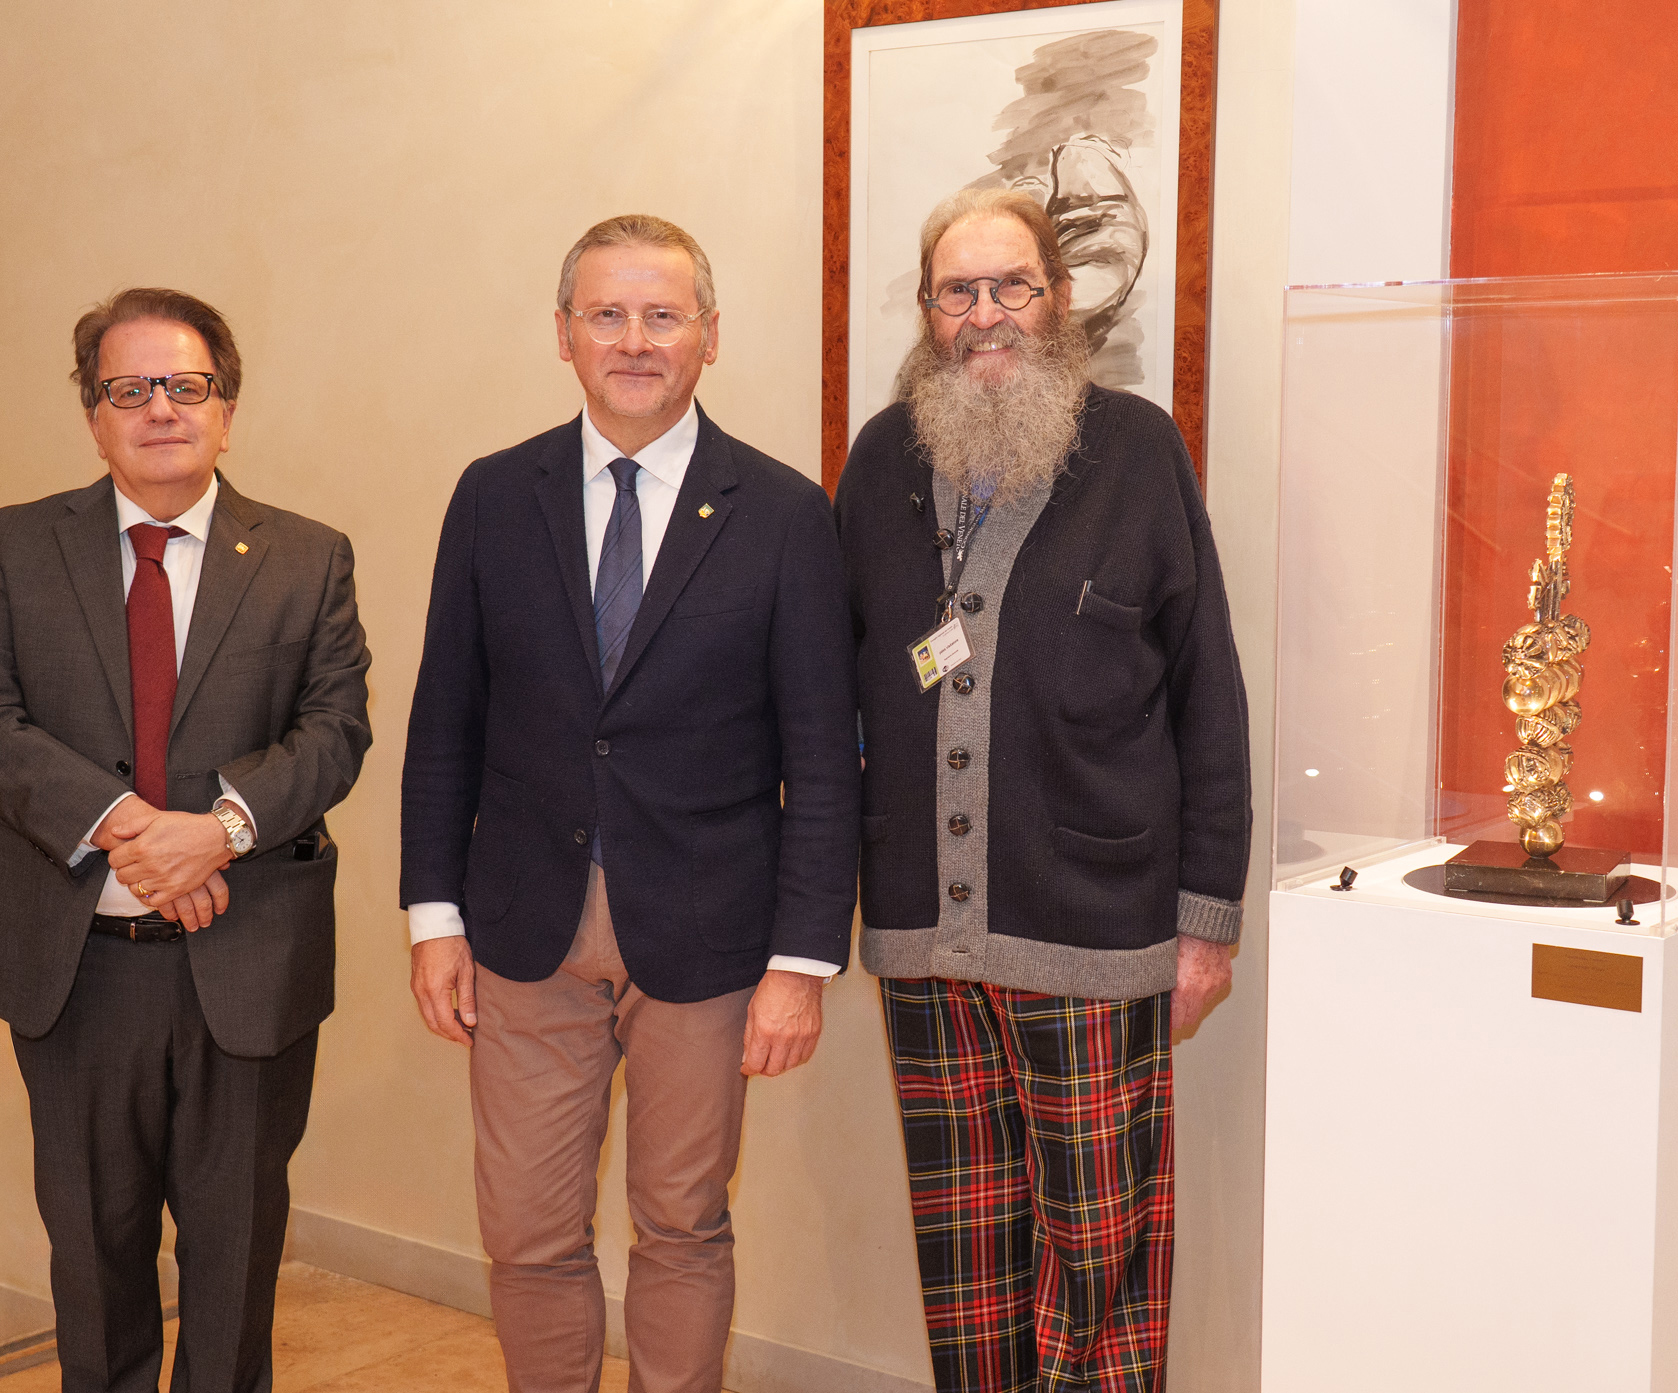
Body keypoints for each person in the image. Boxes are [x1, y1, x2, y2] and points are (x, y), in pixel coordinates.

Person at [400, 214, 859, 1393]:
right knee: (526, 1231)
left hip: (708, 934)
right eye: (606, 314)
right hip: (521, 928)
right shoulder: (493, 496)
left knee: (682, 1222)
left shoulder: (783, 513)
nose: (635, 340)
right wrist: (432, 918)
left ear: (709, 335)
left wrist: (802, 960)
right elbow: (444, 720)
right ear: (563, 335)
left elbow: (823, 756)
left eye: (662, 315)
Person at [835, 187, 1252, 1392]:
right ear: (927, 312)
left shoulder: (1136, 450)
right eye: (956, 292)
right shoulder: (879, 458)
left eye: (1010, 285)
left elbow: (1205, 696)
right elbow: (830, 683)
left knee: (1099, 1271)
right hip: (923, 934)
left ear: (1057, 299)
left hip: (1095, 930)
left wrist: (1205, 922)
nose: (985, 316)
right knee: (967, 1267)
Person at [0, 287, 373, 1393]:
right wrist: (133, 829)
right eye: (128, 389)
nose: (160, 408)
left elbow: (335, 732)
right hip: (75, 971)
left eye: (186, 385)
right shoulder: (17, 544)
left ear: (227, 407)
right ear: (94, 415)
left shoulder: (308, 556)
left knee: (235, 1263)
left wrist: (219, 832)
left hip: (248, 963)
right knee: (94, 1259)